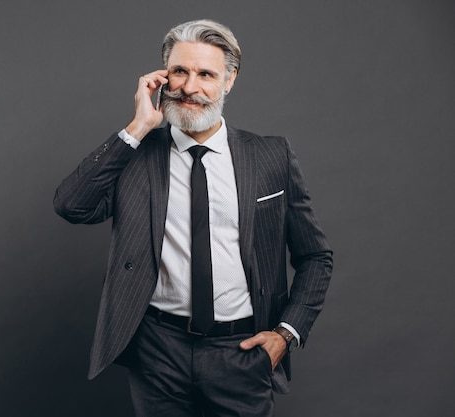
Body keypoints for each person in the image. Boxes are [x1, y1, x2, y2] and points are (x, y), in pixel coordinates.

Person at [54, 19, 333, 417]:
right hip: (156, 349)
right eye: (180, 71)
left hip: (241, 351)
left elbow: (316, 258)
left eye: (206, 74)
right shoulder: (136, 155)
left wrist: (286, 335)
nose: (189, 87)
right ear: (163, 77)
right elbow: (71, 205)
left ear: (229, 80)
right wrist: (137, 127)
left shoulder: (271, 156)